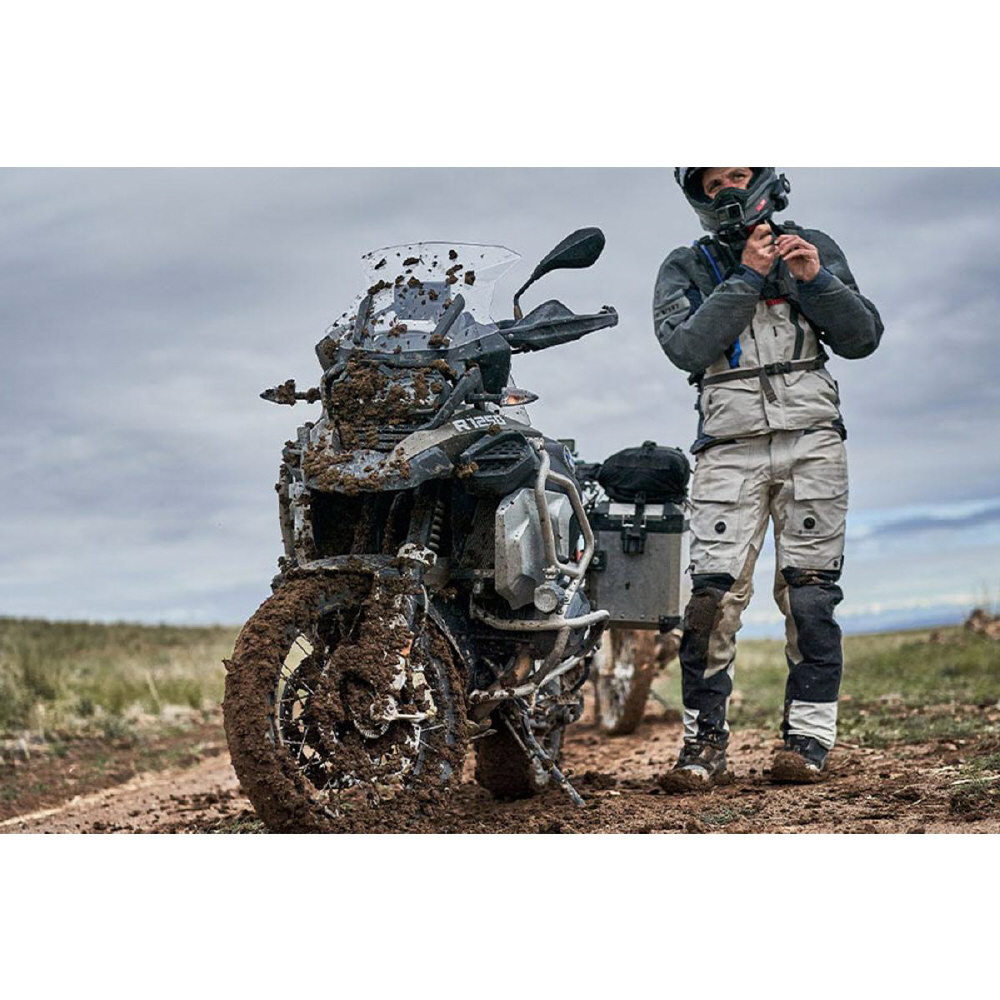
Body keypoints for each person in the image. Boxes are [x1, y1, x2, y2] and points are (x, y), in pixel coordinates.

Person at [652, 167, 883, 787]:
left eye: (739, 174)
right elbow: (685, 349)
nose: (728, 189)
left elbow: (863, 338)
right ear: (698, 196)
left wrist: (816, 280)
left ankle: (806, 742)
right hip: (728, 448)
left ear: (763, 178)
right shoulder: (686, 266)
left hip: (813, 441)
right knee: (711, 600)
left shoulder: (812, 247)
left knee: (810, 595)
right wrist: (748, 276)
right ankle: (702, 746)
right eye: (713, 183)